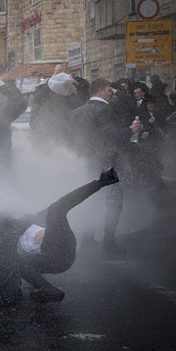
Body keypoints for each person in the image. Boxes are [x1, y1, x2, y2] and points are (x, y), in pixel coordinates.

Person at [15, 168, 120, 303]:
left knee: (56, 209)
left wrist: (99, 183)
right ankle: (48, 290)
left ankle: (102, 182)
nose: (23, 215)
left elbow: (67, 201)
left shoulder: (41, 218)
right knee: (19, 262)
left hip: (62, 249)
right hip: (54, 260)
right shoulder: (11, 237)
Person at [69, 78, 142, 255]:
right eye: (110, 90)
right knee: (114, 202)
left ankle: (87, 240)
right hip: (106, 164)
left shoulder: (76, 112)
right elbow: (109, 135)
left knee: (91, 201)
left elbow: (73, 140)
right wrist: (132, 130)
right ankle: (109, 244)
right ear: (100, 91)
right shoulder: (104, 109)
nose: (112, 93)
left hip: (86, 164)